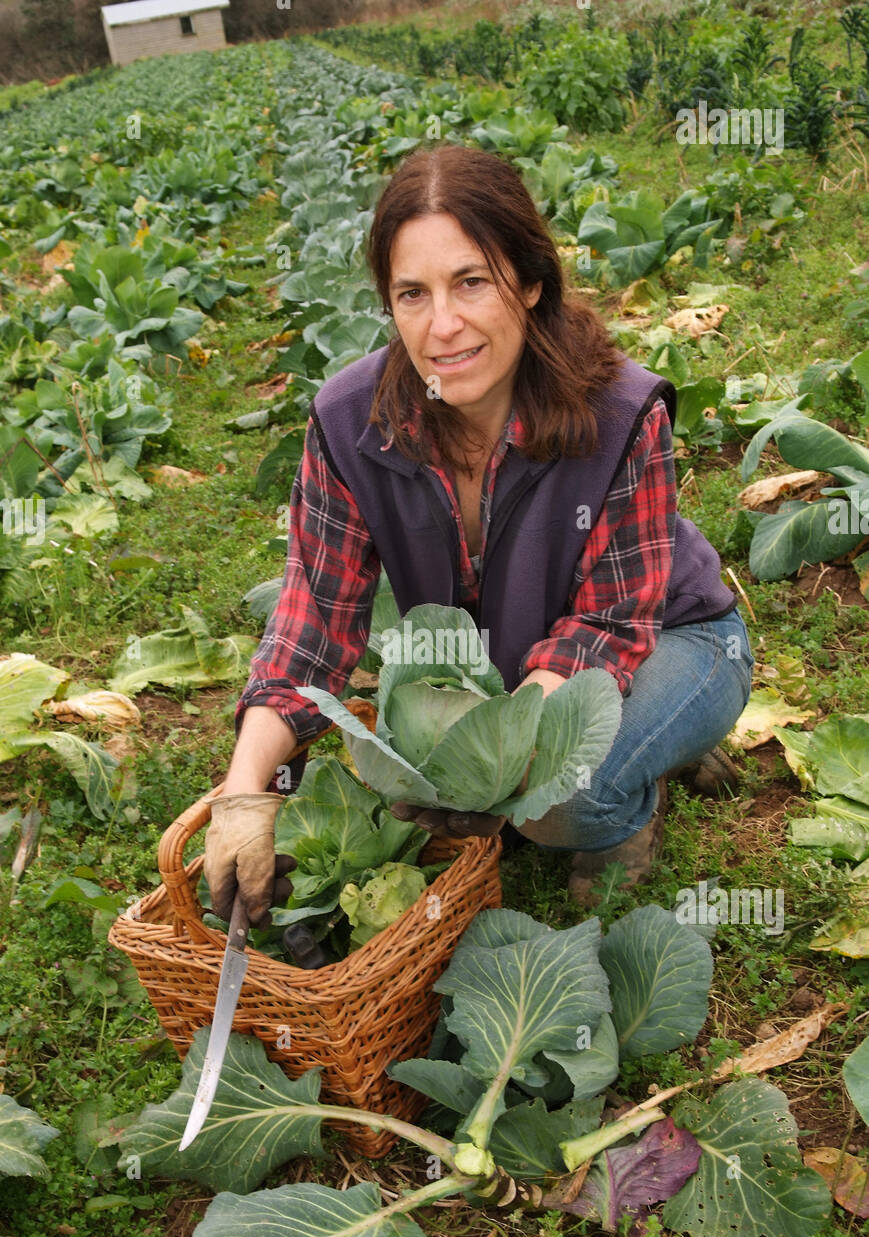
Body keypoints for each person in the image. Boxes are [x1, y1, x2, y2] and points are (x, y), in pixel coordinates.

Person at [204, 144, 753, 926]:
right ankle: (635, 743)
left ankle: (637, 788)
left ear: (529, 283)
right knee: (450, 790)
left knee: (556, 805)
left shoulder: (620, 413)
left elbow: (606, 626)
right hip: (512, 667)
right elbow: (311, 626)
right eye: (411, 294)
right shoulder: (348, 422)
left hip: (676, 636)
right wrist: (244, 789)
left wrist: (495, 767)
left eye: (470, 282)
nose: (443, 325)